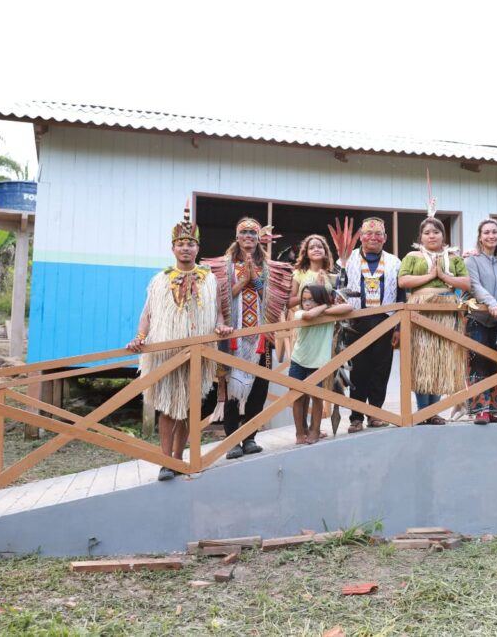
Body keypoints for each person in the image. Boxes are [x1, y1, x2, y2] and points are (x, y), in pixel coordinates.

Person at [127, 203, 233, 481]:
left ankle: (178, 458)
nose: (186, 248)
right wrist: (140, 337)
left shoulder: (211, 279)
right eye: (181, 244)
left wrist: (221, 326)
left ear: (198, 248)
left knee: (188, 406)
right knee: (166, 406)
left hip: (197, 353)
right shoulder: (160, 280)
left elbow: (219, 313)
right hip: (166, 352)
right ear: (173, 248)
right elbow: (147, 314)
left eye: (190, 244)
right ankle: (165, 461)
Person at [203, 217, 293, 459]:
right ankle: (232, 440)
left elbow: (273, 300)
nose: (248, 238)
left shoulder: (268, 266)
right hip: (232, 336)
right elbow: (220, 299)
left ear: (258, 238)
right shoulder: (225, 266)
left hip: (259, 338)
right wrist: (243, 281)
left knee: (259, 388)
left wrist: (257, 278)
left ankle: (251, 438)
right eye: (244, 233)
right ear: (237, 236)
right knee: (231, 387)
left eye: (253, 234)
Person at [333, 217, 403, 433]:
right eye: (368, 233)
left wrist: (399, 327)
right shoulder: (347, 259)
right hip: (356, 322)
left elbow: (401, 294)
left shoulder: (395, 262)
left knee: (381, 369)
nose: (373, 237)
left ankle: (376, 413)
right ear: (361, 237)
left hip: (386, 320)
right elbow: (338, 287)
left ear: (385, 238)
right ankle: (356, 417)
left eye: (378, 234)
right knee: (359, 370)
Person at [398, 216, 471, 423]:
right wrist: (431, 276)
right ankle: (422, 411)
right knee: (422, 360)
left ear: (443, 235)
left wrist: (445, 277)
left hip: (447, 309)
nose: (432, 235)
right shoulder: (413, 256)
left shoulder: (454, 257)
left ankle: (434, 412)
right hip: (421, 309)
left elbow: (466, 283)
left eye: (436, 232)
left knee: (442, 359)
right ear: (420, 236)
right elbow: (403, 281)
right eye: (427, 232)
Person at [290, 284, 353, 444]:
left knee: (316, 398)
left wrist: (324, 307)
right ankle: (299, 433)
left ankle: (315, 430)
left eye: (311, 299)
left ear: (319, 299)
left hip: (318, 362)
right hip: (298, 360)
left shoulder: (326, 314)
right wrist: (326, 305)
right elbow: (309, 316)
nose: (307, 303)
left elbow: (349, 307)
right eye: (304, 300)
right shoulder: (299, 313)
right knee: (297, 397)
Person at [464, 218, 497, 424]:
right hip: (478, 317)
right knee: (478, 362)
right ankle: (479, 410)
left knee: (494, 363)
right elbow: (474, 285)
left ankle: (493, 408)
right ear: (480, 237)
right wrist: (491, 302)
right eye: (486, 232)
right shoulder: (472, 260)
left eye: (494, 232)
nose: (491, 235)